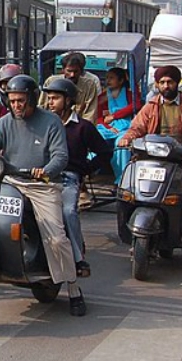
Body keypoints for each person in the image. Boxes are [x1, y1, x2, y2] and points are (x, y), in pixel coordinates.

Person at [0, 75, 85, 316]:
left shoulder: (51, 122)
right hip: (10, 181)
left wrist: (46, 171)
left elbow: (61, 156)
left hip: (41, 186)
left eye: (21, 101)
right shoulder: (5, 122)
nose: (16, 105)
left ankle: (73, 288)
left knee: (56, 237)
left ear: (33, 99)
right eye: (12, 101)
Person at [118, 65, 182, 269]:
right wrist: (127, 138)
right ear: (157, 84)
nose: (166, 85)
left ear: (177, 83)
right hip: (152, 160)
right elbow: (137, 126)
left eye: (169, 82)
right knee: (129, 191)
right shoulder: (151, 106)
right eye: (162, 82)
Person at [44, 77, 113, 279]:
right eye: (49, 98)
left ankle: (77, 258)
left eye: (55, 98)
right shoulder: (44, 124)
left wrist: (85, 170)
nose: (50, 103)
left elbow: (104, 153)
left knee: (68, 212)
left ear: (68, 101)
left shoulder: (83, 127)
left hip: (68, 178)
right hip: (42, 179)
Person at [96, 66, 137, 183]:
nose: (108, 81)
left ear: (121, 81)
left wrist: (114, 116)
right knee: (94, 138)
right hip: (106, 128)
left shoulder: (131, 95)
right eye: (107, 78)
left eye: (111, 78)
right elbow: (98, 117)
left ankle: (122, 179)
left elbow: (135, 105)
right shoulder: (102, 97)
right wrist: (109, 127)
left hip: (126, 127)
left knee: (122, 145)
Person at [44, 52, 102, 123]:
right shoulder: (51, 81)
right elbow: (42, 106)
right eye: (69, 71)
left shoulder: (89, 85)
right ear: (63, 70)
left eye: (76, 71)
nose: (72, 75)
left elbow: (90, 113)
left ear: (81, 71)